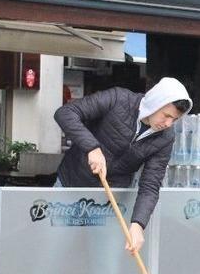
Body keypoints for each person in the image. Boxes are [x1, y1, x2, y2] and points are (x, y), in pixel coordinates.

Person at [54, 77, 192, 254]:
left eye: (175, 120)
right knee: (53, 254)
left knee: (107, 267)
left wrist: (138, 224)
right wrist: (92, 148)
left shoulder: (166, 137)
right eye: (167, 116)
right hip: (70, 188)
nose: (168, 124)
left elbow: (150, 185)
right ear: (155, 103)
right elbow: (66, 113)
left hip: (110, 204)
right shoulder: (118, 99)